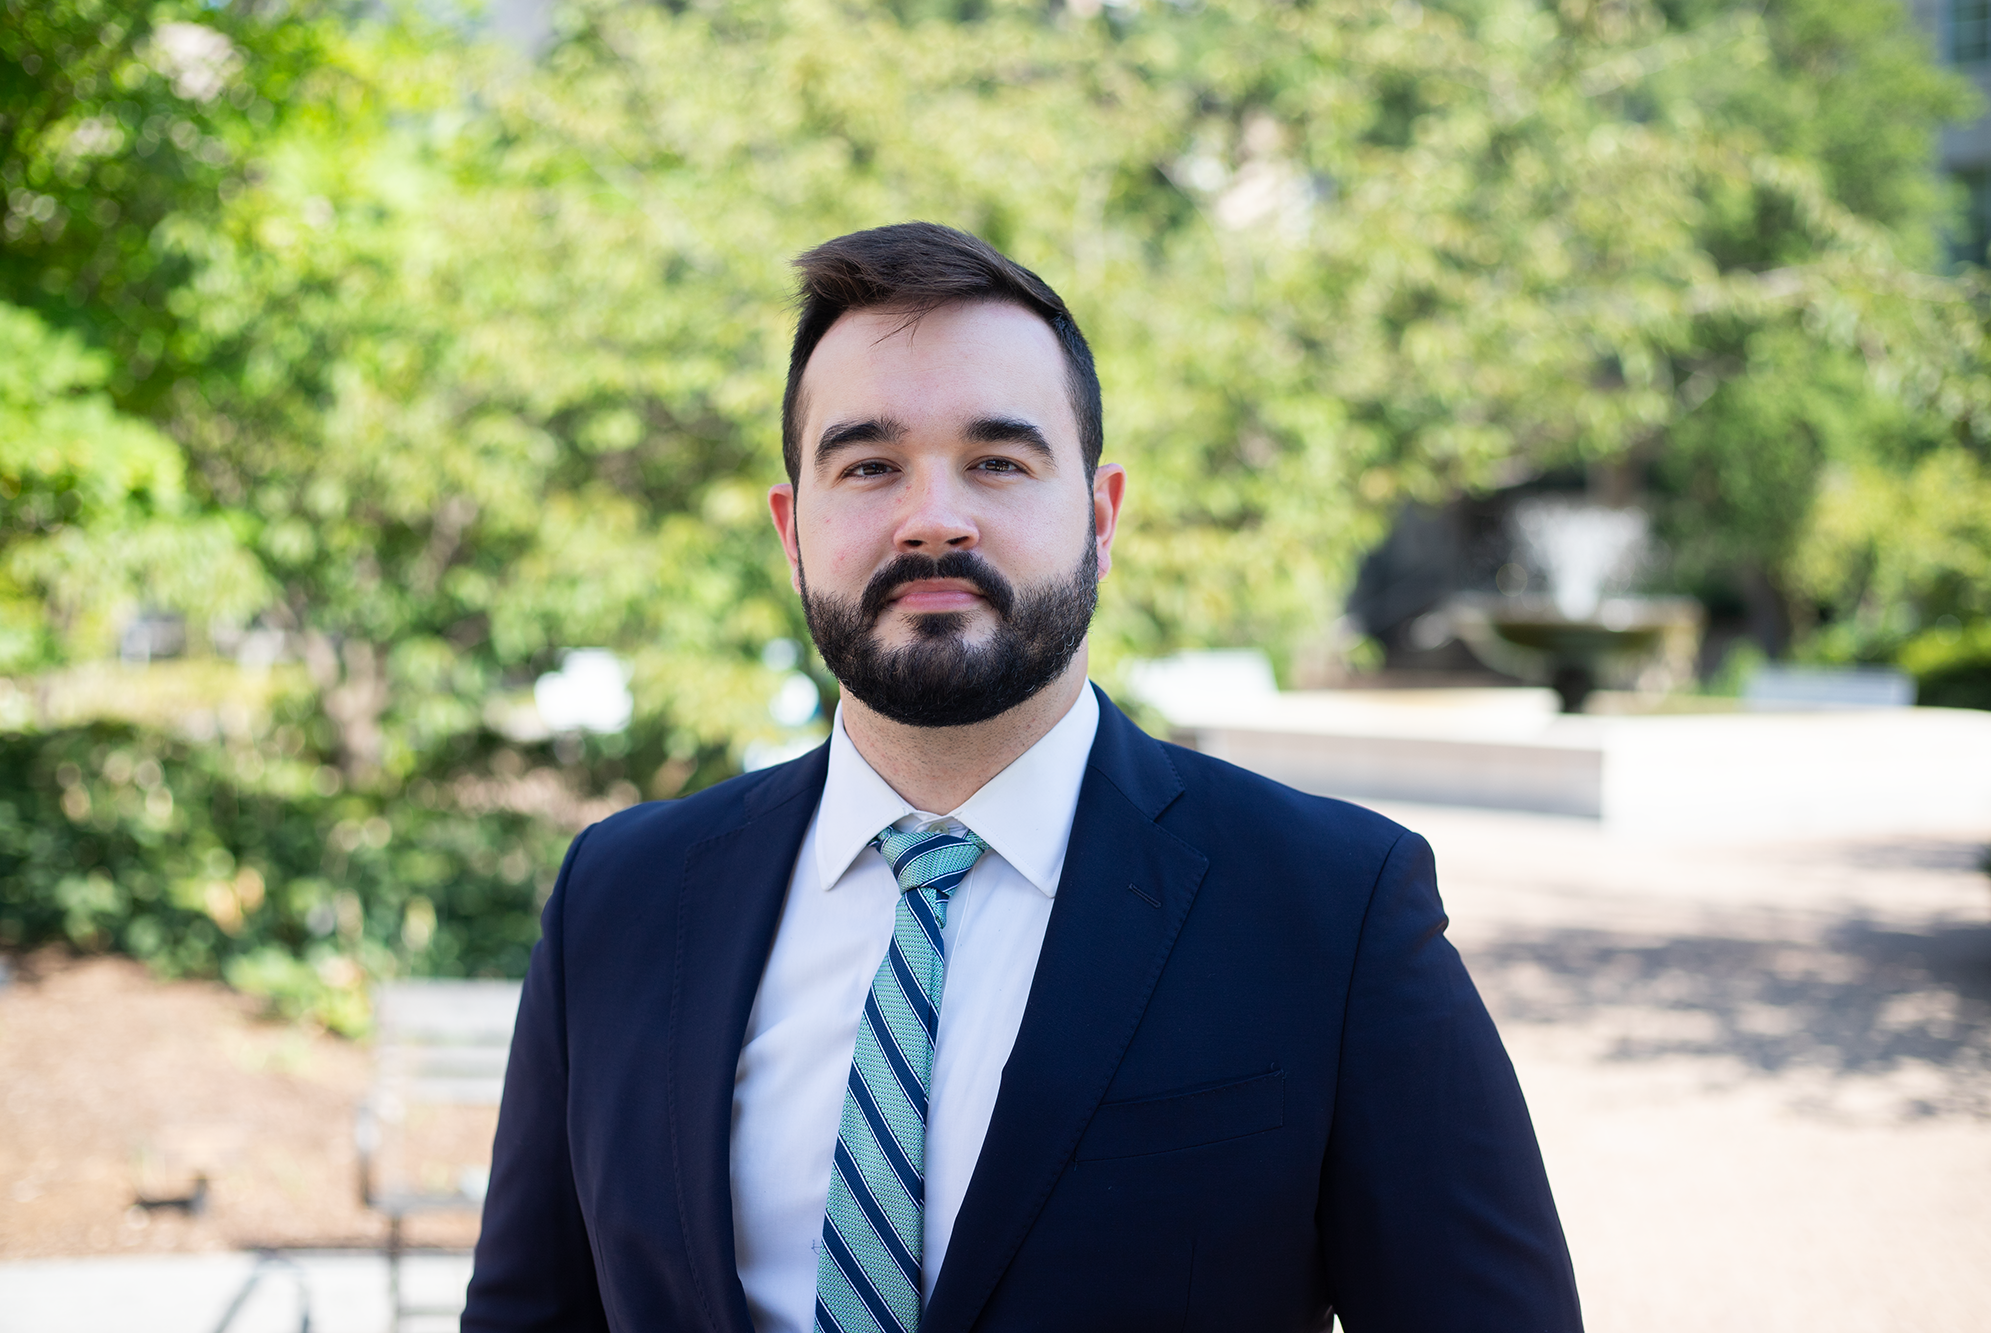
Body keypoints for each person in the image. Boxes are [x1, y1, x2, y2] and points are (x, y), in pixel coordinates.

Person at [461, 222, 1582, 1333]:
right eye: (869, 466)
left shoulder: (1329, 907)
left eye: (997, 461)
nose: (933, 518)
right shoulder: (620, 896)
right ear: (791, 529)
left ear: (1099, 519)